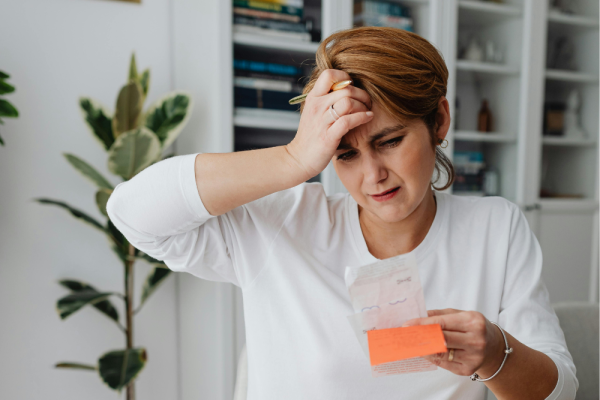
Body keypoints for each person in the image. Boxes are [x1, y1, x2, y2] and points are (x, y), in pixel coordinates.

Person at [106, 27, 577, 399]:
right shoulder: (283, 225)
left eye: (389, 141)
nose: (373, 176)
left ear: (439, 121)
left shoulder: (495, 228)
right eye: (345, 154)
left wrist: (496, 353)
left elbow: (558, 392)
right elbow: (131, 212)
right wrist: (294, 159)